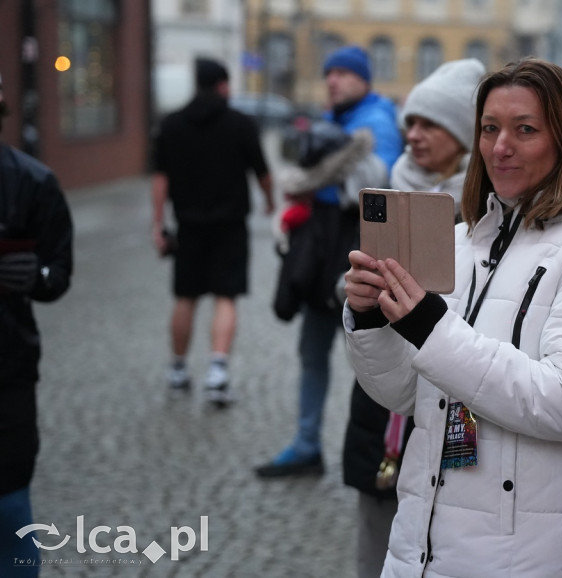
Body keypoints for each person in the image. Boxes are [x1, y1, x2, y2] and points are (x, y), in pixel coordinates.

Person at [341, 58, 562, 576]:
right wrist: (371, 319)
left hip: (530, 553)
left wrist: (429, 328)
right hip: (423, 548)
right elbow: (406, 394)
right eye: (489, 129)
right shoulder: (462, 240)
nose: (499, 146)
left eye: (524, 130)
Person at [342, 57, 485, 578]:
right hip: (382, 401)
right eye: (412, 122)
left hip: (456, 392)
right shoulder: (386, 186)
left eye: (432, 124)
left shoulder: (484, 205)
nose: (414, 134)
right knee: (378, 531)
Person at [256, 44, 401, 477]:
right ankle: (306, 444)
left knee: (369, 360)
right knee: (311, 352)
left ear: (364, 78)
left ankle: (380, 454)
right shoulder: (336, 119)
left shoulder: (377, 121)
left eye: (342, 73)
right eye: (328, 73)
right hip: (320, 256)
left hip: (354, 259)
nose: (333, 80)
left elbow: (373, 186)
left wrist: (313, 184)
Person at [152, 57, 274, 405]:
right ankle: (217, 373)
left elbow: (160, 178)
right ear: (222, 85)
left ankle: (178, 369)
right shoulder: (240, 123)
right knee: (226, 296)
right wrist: (269, 199)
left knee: (185, 296)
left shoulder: (172, 124)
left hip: (188, 225)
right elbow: (262, 170)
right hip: (230, 225)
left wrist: (158, 223)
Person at [0, 71, 74, 576]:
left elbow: (59, 271)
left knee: (8, 508)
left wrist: (38, 275)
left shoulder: (31, 181)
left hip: (7, 367)